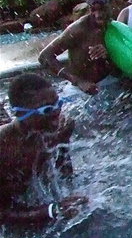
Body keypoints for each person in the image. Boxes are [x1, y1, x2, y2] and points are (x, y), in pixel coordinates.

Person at [0, 74, 88, 225]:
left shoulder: (63, 127)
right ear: (20, 113)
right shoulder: (5, 148)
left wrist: (71, 197)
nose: (56, 115)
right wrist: (52, 211)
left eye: (58, 104)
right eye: (46, 109)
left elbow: (64, 172)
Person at [39, 0, 116, 96]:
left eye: (102, 9)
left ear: (112, 4)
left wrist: (108, 54)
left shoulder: (116, 27)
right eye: (93, 10)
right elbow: (44, 57)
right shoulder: (78, 30)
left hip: (109, 82)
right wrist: (78, 81)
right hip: (79, 90)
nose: (98, 15)